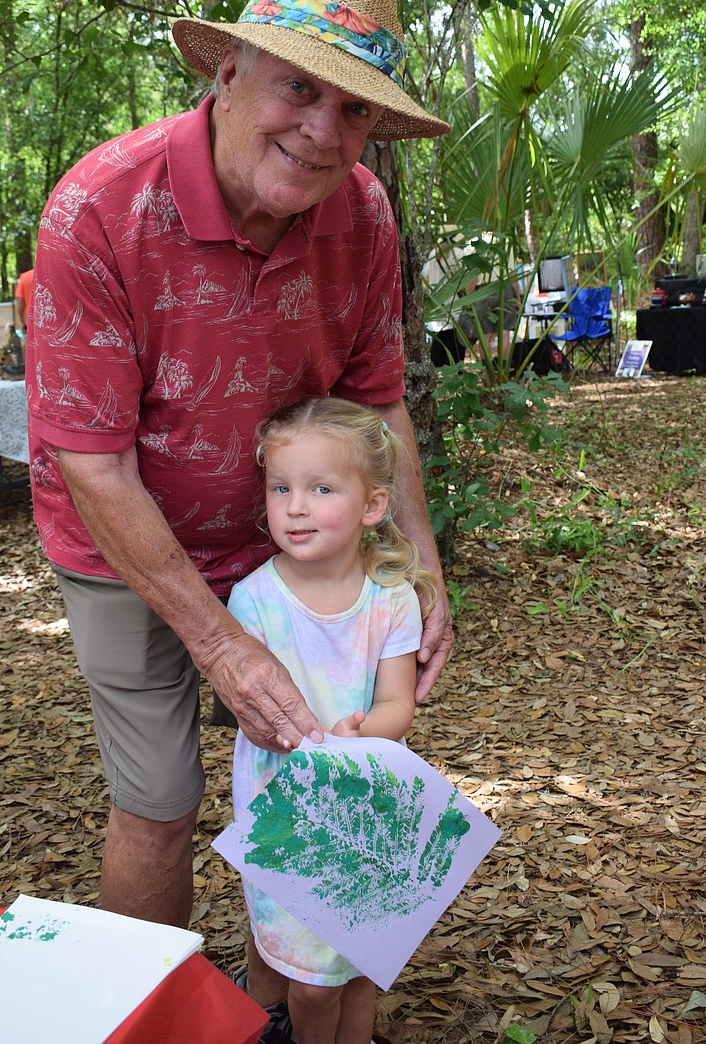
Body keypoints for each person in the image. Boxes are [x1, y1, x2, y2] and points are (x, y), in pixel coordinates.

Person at [25, 0, 453, 1029]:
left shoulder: (362, 213)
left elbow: (377, 397)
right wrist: (220, 643)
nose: (322, 130)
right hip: (124, 541)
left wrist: (420, 562)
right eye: (298, 88)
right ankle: (152, 1019)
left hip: (293, 537)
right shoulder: (98, 209)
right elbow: (92, 460)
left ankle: (296, 997)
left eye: (352, 109)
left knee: (331, 769)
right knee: (159, 802)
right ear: (227, 72)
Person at [231, 397, 437, 1044]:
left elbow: (398, 703)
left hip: (366, 805)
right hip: (284, 812)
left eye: (320, 488)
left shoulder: (391, 598)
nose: (295, 506)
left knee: (358, 968)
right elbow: (253, 711)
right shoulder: (253, 601)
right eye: (281, 488)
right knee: (312, 984)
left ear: (373, 505)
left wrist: (358, 735)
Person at [14, 266, 34, 331]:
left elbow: (20, 301)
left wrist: (21, 320)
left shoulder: (25, 277)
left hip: (31, 322)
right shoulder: (53, 275)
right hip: (50, 322)